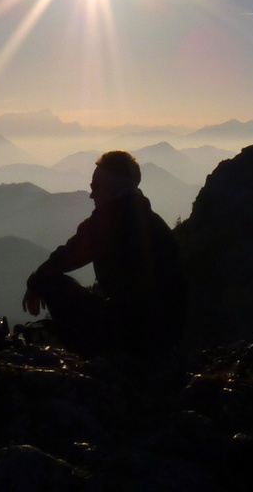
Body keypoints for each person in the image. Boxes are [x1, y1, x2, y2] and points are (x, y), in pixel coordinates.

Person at [22, 150, 185, 356]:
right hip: (163, 336)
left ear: (112, 188)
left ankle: (86, 351)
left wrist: (35, 282)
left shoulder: (111, 220)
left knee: (50, 283)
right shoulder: (152, 221)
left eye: (95, 186)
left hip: (129, 333)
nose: (91, 194)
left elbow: (68, 256)